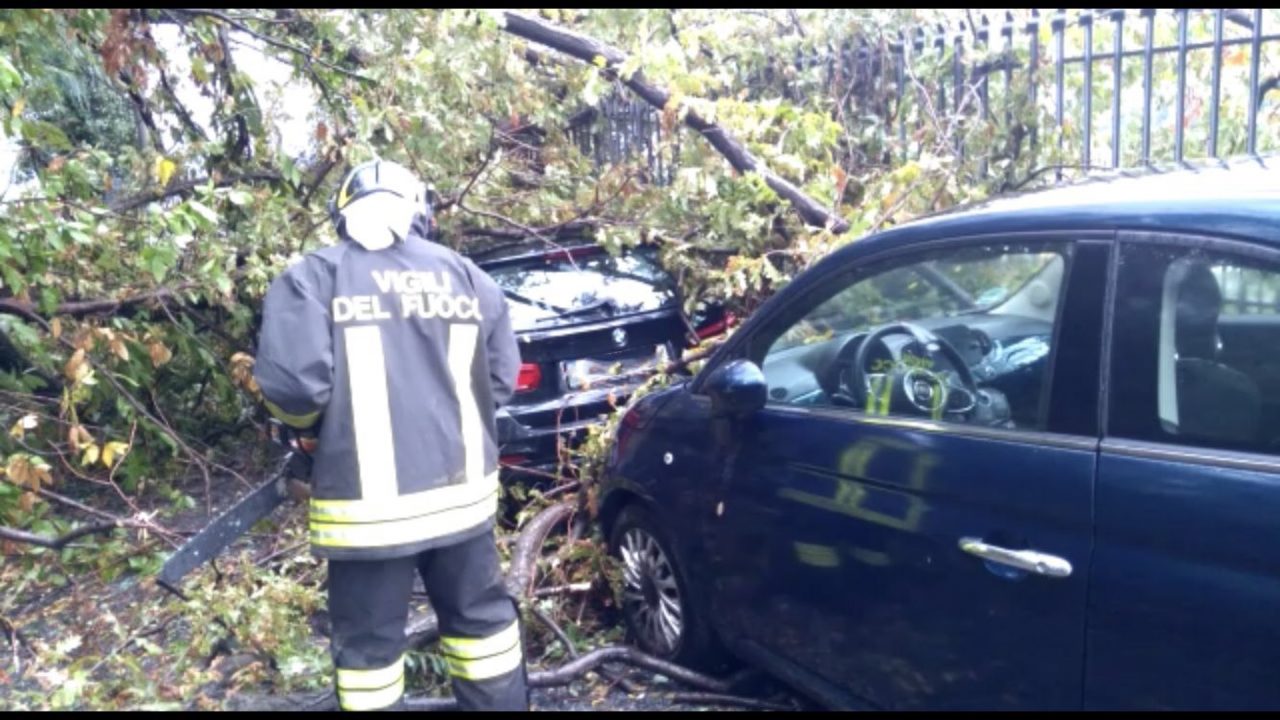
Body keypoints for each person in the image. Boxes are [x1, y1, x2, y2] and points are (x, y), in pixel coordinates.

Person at [252, 159, 527, 711]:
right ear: (420, 212)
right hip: (463, 504)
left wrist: (311, 435)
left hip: (368, 513)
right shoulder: (468, 276)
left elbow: (293, 388)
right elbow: (500, 379)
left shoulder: (313, 278)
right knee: (484, 633)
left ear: (343, 214)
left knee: (370, 657)